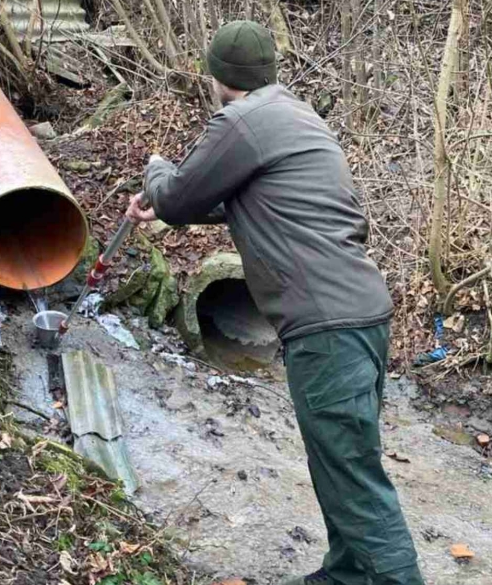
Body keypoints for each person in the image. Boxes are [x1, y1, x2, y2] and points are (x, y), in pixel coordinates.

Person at [125, 20, 424, 585]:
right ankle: (348, 572)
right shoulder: (295, 115)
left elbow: (182, 194)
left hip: (326, 325)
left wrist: (157, 170)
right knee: (338, 460)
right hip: (360, 313)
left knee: (351, 470)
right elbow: (253, 204)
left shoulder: (240, 121)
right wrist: (166, 203)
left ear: (217, 76)